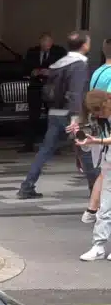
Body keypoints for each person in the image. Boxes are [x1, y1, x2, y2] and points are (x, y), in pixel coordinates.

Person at [17, 30, 91, 200]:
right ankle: (97, 192)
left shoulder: (58, 64)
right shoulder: (78, 64)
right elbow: (76, 92)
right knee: (85, 148)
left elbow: (50, 90)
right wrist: (75, 117)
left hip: (55, 112)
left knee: (45, 150)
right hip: (70, 115)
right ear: (84, 45)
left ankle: (27, 186)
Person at [75, 90, 111, 260]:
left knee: (106, 206)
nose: (100, 114)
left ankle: (100, 246)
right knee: (105, 207)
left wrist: (96, 141)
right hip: (109, 163)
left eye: (100, 110)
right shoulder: (99, 118)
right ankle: (99, 246)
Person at [81, 39, 111, 223]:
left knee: (104, 171)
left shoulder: (98, 72)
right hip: (106, 132)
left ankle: (91, 210)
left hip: (99, 130)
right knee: (106, 172)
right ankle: (95, 212)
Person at [21, 33, 67, 153]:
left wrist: (51, 72)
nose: (47, 45)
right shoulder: (32, 52)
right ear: (40, 42)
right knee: (33, 116)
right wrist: (33, 71)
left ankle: (53, 145)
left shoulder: (59, 52)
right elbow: (25, 67)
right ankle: (29, 144)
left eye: (49, 43)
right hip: (36, 87)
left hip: (51, 87)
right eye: (44, 42)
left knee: (52, 116)